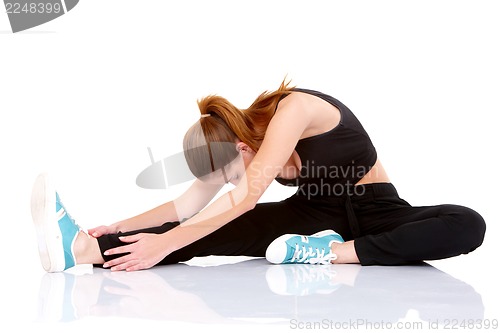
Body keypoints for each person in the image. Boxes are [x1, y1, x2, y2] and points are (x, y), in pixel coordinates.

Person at [30, 80, 486, 272]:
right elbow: (185, 207)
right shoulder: (231, 143)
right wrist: (120, 226)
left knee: (468, 223)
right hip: (315, 212)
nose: (229, 182)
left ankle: (330, 254)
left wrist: (168, 240)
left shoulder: (296, 109)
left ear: (244, 149)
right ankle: (82, 249)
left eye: (230, 172)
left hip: (378, 210)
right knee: (205, 231)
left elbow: (244, 197)